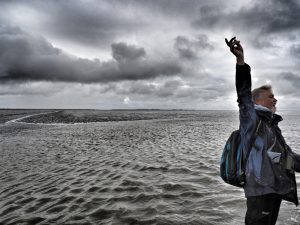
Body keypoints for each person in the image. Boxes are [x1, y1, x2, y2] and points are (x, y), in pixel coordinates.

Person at [225, 37, 300, 225]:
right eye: (271, 97)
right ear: (256, 101)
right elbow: (243, 94)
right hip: (260, 190)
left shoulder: (271, 125)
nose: (276, 100)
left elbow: (285, 157)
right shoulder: (252, 120)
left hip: (274, 189)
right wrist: (241, 62)